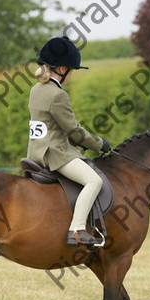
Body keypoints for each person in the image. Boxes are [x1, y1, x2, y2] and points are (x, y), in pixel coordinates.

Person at [27, 36, 111, 246]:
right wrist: (100, 144)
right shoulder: (57, 95)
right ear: (62, 69)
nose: (72, 75)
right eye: (72, 70)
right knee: (94, 181)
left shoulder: (36, 90)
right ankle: (77, 229)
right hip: (55, 154)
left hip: (34, 152)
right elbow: (74, 131)